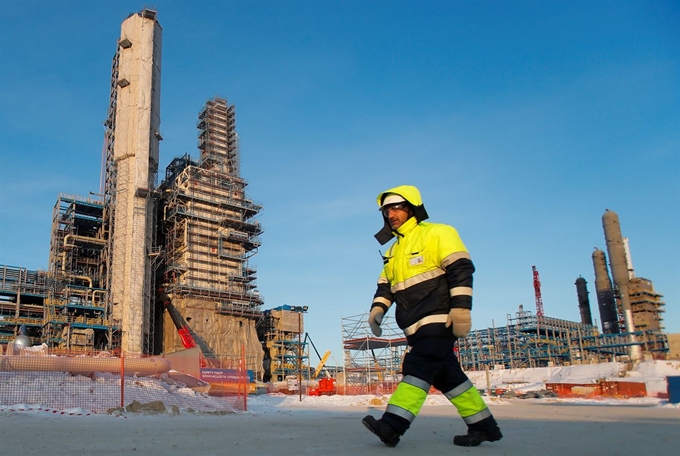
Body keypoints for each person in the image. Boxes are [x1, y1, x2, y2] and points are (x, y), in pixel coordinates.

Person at [362, 185, 503, 448]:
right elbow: (386, 286)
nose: (391, 214)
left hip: (439, 318)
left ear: (412, 207)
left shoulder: (438, 233)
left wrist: (461, 308)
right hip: (413, 324)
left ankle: (393, 425)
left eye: (396, 207)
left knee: (418, 366)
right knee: (448, 376)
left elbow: (461, 268)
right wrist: (378, 309)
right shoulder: (393, 250)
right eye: (386, 210)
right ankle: (484, 426)